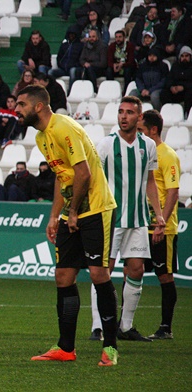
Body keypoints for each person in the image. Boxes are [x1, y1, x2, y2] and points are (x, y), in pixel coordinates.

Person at [17, 85, 119, 366]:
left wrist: (73, 212)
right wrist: (55, 216)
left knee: (99, 273)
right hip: (71, 213)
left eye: (22, 104)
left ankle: (110, 347)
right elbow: (63, 178)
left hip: (95, 208)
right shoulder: (40, 136)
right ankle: (65, 348)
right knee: (63, 276)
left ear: (39, 106)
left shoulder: (64, 127)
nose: (17, 109)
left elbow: (83, 173)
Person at [88, 96, 163, 342]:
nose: (123, 116)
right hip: (111, 218)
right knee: (103, 271)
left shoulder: (148, 146)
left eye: (129, 112)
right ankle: (98, 327)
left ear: (139, 117)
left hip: (138, 218)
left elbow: (150, 182)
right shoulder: (106, 145)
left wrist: (158, 214)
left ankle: (126, 326)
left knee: (137, 269)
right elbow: (94, 180)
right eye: (120, 111)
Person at [139, 110, 180, 340]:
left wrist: (161, 224)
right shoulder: (145, 154)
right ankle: (125, 326)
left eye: (141, 130)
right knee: (131, 271)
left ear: (153, 130)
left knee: (164, 275)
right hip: (141, 225)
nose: (139, 134)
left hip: (162, 228)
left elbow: (173, 192)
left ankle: (166, 327)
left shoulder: (168, 155)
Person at [160, 46, 192, 114]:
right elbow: (169, 78)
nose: (184, 58)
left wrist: (183, 87)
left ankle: (187, 114)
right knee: (164, 93)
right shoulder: (175, 66)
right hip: (176, 90)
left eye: (186, 56)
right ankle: (168, 113)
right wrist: (171, 87)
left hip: (187, 90)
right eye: (182, 56)